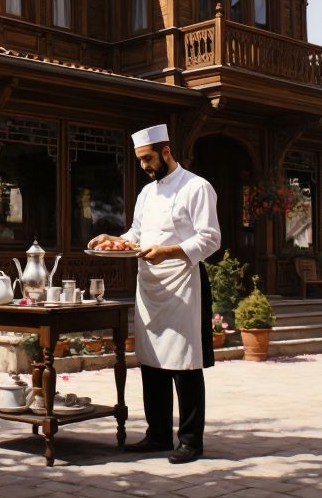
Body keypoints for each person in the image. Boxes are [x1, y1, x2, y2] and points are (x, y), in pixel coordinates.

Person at [89, 123, 220, 464]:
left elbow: (210, 238)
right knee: (152, 363)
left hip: (183, 283)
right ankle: (158, 435)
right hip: (149, 285)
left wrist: (168, 251)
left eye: (148, 158)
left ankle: (190, 441)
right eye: (140, 160)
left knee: (185, 365)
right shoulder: (146, 193)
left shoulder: (197, 187)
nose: (144, 166)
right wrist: (114, 239)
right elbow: (137, 233)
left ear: (166, 152)